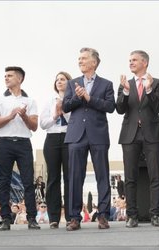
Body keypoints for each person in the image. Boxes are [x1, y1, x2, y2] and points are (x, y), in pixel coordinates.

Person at [63, 47, 115, 231]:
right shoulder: (72, 83)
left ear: (94, 62)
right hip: (76, 135)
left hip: (98, 134)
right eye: (79, 58)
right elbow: (66, 106)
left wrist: (89, 97)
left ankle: (103, 215)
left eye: (84, 58)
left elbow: (110, 106)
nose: (80, 61)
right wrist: (78, 98)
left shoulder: (106, 84)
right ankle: (74, 217)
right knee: (75, 177)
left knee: (102, 175)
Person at [116, 50, 159, 228]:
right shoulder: (125, 84)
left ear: (144, 62)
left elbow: (158, 107)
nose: (131, 63)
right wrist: (127, 93)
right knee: (130, 177)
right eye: (129, 60)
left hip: (152, 132)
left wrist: (150, 89)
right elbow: (120, 109)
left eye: (134, 60)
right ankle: (132, 216)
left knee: (155, 176)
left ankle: (156, 215)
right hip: (130, 134)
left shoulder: (157, 83)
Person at [0, 66, 40, 230]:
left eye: (10, 75)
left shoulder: (30, 101)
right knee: (4, 181)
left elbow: (34, 126)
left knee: (28, 182)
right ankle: (6, 219)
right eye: (5, 75)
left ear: (20, 79)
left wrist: (24, 116)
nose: (6, 78)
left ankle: (32, 218)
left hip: (23, 143)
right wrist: (11, 116)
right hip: (4, 143)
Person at [40, 71, 72, 229]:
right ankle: (53, 217)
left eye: (63, 79)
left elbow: (76, 122)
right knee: (53, 178)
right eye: (57, 79)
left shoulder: (74, 100)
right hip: (52, 139)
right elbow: (43, 124)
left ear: (69, 82)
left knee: (69, 178)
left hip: (69, 138)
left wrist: (64, 112)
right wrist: (54, 115)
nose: (59, 81)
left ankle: (71, 216)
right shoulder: (48, 101)